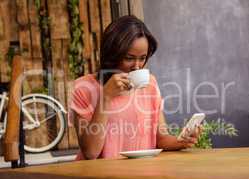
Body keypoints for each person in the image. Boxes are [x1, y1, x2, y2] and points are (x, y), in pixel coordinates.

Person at [69, 15, 202, 160]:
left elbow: (161, 138)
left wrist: (181, 141)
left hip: (140, 175)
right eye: (129, 58)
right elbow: (90, 152)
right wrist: (106, 97)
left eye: (143, 58)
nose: (137, 66)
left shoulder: (150, 84)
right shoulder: (84, 87)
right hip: (101, 178)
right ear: (112, 54)